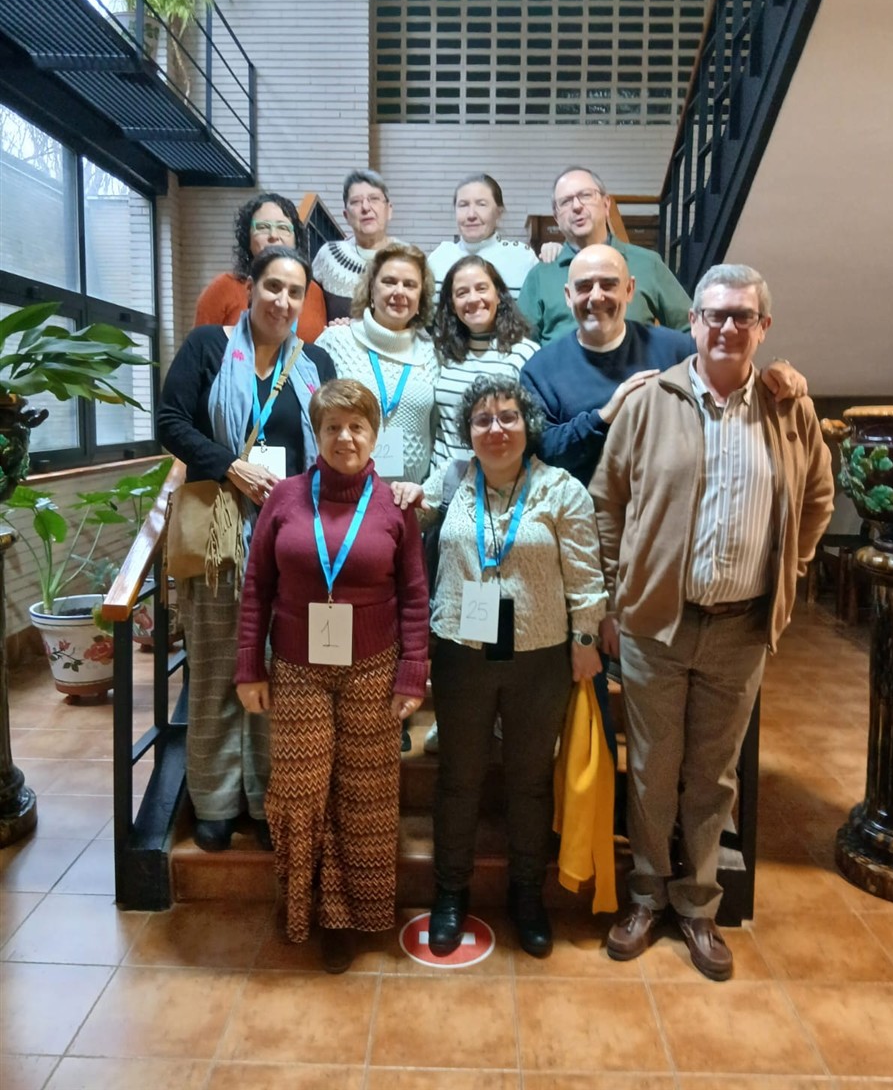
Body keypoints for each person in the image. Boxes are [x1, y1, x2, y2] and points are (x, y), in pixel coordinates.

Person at [592, 264, 833, 980]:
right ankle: (645, 895)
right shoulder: (649, 402)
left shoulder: (789, 409)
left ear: (763, 327)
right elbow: (608, 502)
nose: (728, 327)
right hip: (655, 626)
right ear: (692, 322)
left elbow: (818, 498)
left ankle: (697, 904)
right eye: (715, 314)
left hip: (740, 628)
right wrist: (615, 597)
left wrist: (789, 571)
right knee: (652, 769)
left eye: (742, 316)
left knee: (713, 776)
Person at [234, 379, 429, 972]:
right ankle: (305, 907)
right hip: (297, 669)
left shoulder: (395, 505)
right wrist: (249, 666)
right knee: (299, 792)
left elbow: (414, 595)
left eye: (357, 426)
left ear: (374, 434)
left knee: (365, 796)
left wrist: (413, 673)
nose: (345, 437)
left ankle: (348, 918)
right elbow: (256, 588)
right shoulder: (284, 498)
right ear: (316, 434)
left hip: (374, 669)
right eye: (332, 427)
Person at [410, 375, 607, 959]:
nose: (496, 428)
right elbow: (405, 523)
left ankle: (527, 894)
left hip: (540, 656)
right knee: (458, 778)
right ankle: (450, 892)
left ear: (528, 425)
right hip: (461, 651)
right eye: (483, 419)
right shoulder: (451, 482)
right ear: (467, 431)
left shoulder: (561, 490)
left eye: (508, 417)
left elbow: (585, 573)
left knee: (528, 780)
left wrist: (586, 636)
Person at [158, 246, 336, 853]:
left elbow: (329, 441)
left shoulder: (315, 363)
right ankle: (214, 800)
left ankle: (264, 798)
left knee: (276, 670)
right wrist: (229, 464)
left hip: (288, 538)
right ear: (252, 288)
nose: (283, 301)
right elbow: (170, 420)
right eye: (273, 287)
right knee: (216, 668)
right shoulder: (208, 347)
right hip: (218, 534)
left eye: (295, 292)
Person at [521, 243, 810, 488]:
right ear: (568, 296)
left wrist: (775, 369)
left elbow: (734, 378)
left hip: (673, 519)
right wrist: (604, 417)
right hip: (579, 521)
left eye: (609, 284)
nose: (597, 297)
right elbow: (541, 453)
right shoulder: (541, 370)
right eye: (585, 286)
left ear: (630, 290)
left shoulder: (678, 350)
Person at [518, 166, 692, 346]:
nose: (577, 206)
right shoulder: (541, 275)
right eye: (566, 202)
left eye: (586, 195)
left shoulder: (647, 264)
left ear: (606, 204)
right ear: (556, 217)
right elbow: (519, 346)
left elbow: (691, 329)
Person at [315, 243, 439, 483]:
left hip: (411, 498)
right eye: (389, 282)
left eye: (410, 285)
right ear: (372, 289)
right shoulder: (335, 341)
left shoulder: (432, 354)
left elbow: (437, 434)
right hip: (343, 495)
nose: (399, 292)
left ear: (421, 296)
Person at [431, 254, 538, 470]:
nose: (473, 299)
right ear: (452, 304)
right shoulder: (440, 353)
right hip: (442, 482)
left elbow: (534, 429)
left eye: (481, 288)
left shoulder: (526, 353)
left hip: (500, 481)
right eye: (462, 293)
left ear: (498, 295)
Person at [194, 192, 327, 342]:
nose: (273, 235)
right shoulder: (223, 287)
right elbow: (202, 348)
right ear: (248, 237)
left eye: (283, 227)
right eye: (263, 227)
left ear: (296, 237)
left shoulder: (314, 291)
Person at [427, 173, 538, 302]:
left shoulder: (522, 258)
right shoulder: (439, 258)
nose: (471, 215)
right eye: (463, 205)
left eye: (481, 204)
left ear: (499, 212)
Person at [312, 170, 401, 322]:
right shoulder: (328, 255)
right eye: (355, 202)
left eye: (374, 199)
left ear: (389, 210)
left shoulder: (408, 257)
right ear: (346, 215)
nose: (365, 207)